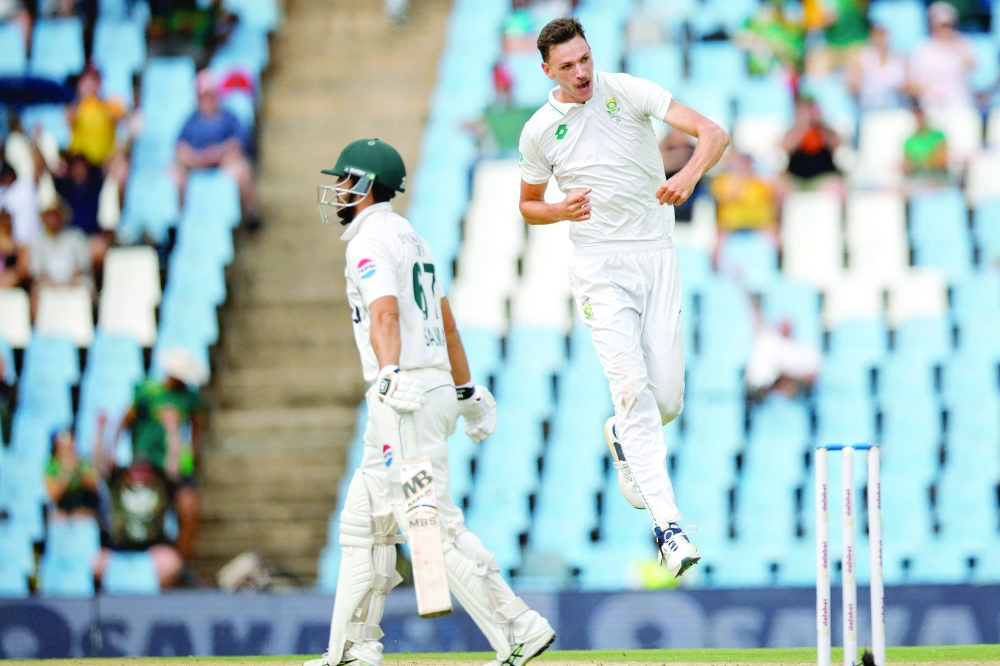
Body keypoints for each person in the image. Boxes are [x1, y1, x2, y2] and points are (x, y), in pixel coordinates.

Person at [306, 139, 555, 666]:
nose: (339, 191)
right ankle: (354, 646)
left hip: (405, 399)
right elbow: (445, 321)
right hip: (426, 391)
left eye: (346, 181)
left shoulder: (368, 240)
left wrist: (391, 373)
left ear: (367, 185)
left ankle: (518, 627)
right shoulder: (413, 237)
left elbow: (386, 314)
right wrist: (464, 389)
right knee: (363, 521)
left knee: (428, 526)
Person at [517, 18, 729, 577]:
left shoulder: (628, 90)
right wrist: (560, 210)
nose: (581, 72)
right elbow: (528, 205)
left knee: (668, 401)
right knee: (632, 389)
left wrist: (688, 174)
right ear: (547, 71)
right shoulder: (540, 130)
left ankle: (622, 436)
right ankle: (669, 527)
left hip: (656, 255)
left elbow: (713, 133)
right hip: (599, 264)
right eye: (568, 65)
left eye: (585, 58)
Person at [114, 348, 207, 560]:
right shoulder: (148, 391)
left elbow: (197, 425)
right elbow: (126, 420)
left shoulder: (190, 398)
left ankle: (182, 561)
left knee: (189, 508)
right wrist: (115, 447)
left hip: (175, 463)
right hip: (148, 462)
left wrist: (189, 453)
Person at [94, 411, 185, 589]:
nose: (139, 473)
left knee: (172, 562)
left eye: (144, 469)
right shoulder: (118, 484)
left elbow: (174, 464)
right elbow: (100, 463)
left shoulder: (160, 485)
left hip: (152, 548)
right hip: (119, 548)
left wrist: (172, 431)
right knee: (96, 562)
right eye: (135, 469)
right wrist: (102, 431)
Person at [174, 70, 260, 228]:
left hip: (223, 165)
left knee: (241, 170)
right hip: (195, 168)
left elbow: (238, 144)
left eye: (210, 94)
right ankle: (179, 221)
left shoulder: (229, 117)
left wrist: (217, 154)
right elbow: (180, 149)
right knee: (174, 175)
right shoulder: (190, 120)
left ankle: (250, 214)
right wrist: (198, 159)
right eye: (203, 95)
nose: (207, 99)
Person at [710, 151, 778, 265]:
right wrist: (739, 180)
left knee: (774, 230)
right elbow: (728, 197)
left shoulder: (759, 182)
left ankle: (775, 265)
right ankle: (716, 267)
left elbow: (774, 195)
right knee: (718, 234)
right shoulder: (724, 180)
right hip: (731, 224)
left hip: (758, 223)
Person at [908, 1, 976, 111]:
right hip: (930, 104)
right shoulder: (922, 48)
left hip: (959, 102)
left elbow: (972, 66)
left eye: (948, 25)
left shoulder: (963, 43)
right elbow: (912, 82)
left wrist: (955, 44)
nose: (944, 29)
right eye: (941, 25)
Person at [29, 198, 93, 312]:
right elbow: (38, 272)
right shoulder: (38, 242)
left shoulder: (76, 237)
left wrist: (69, 283)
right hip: (48, 284)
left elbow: (82, 266)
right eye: (48, 215)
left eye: (55, 215)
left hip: (74, 281)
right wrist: (52, 285)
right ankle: (38, 327)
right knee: (35, 291)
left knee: (87, 288)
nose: (52, 219)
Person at [52, 153, 112, 267]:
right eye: (76, 168)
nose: (79, 171)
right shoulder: (64, 189)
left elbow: (107, 167)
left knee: (100, 249)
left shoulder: (96, 189)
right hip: (68, 239)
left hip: (90, 238)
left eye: (82, 168)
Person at [67, 66, 126, 168]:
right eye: (86, 80)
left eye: (94, 80)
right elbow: (68, 120)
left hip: (104, 164)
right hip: (79, 163)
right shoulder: (75, 106)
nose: (90, 85)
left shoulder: (109, 105)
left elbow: (125, 119)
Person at [781, 95, 842, 193]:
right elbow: (785, 148)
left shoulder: (824, 129)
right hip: (796, 178)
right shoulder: (793, 130)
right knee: (779, 188)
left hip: (822, 177)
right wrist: (802, 126)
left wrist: (820, 125)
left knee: (838, 187)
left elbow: (837, 144)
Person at [845, 24, 906, 110]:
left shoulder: (898, 57)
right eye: (877, 36)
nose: (880, 40)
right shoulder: (862, 57)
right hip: (869, 106)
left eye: (882, 36)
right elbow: (851, 86)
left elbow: (908, 85)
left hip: (894, 105)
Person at [44, 428, 102, 520]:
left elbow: (95, 487)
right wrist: (66, 473)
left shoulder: (83, 462)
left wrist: (79, 472)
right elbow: (52, 495)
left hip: (82, 511)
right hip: (61, 513)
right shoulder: (51, 465)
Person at [903, 102, 950, 190]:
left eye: (920, 115)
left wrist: (920, 160)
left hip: (938, 176)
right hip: (917, 177)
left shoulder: (937, 136)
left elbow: (941, 162)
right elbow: (907, 165)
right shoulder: (909, 140)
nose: (918, 119)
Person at [0, 158, 41, 247]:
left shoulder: (25, 186)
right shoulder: (2, 193)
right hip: (15, 243)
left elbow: (38, 172)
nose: (5, 178)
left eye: (7, 175)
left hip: (35, 237)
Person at [0, 207, 28, 288]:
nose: (6, 222)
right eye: (3, 219)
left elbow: (23, 271)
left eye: (8, 219)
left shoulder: (19, 246)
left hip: (13, 290)